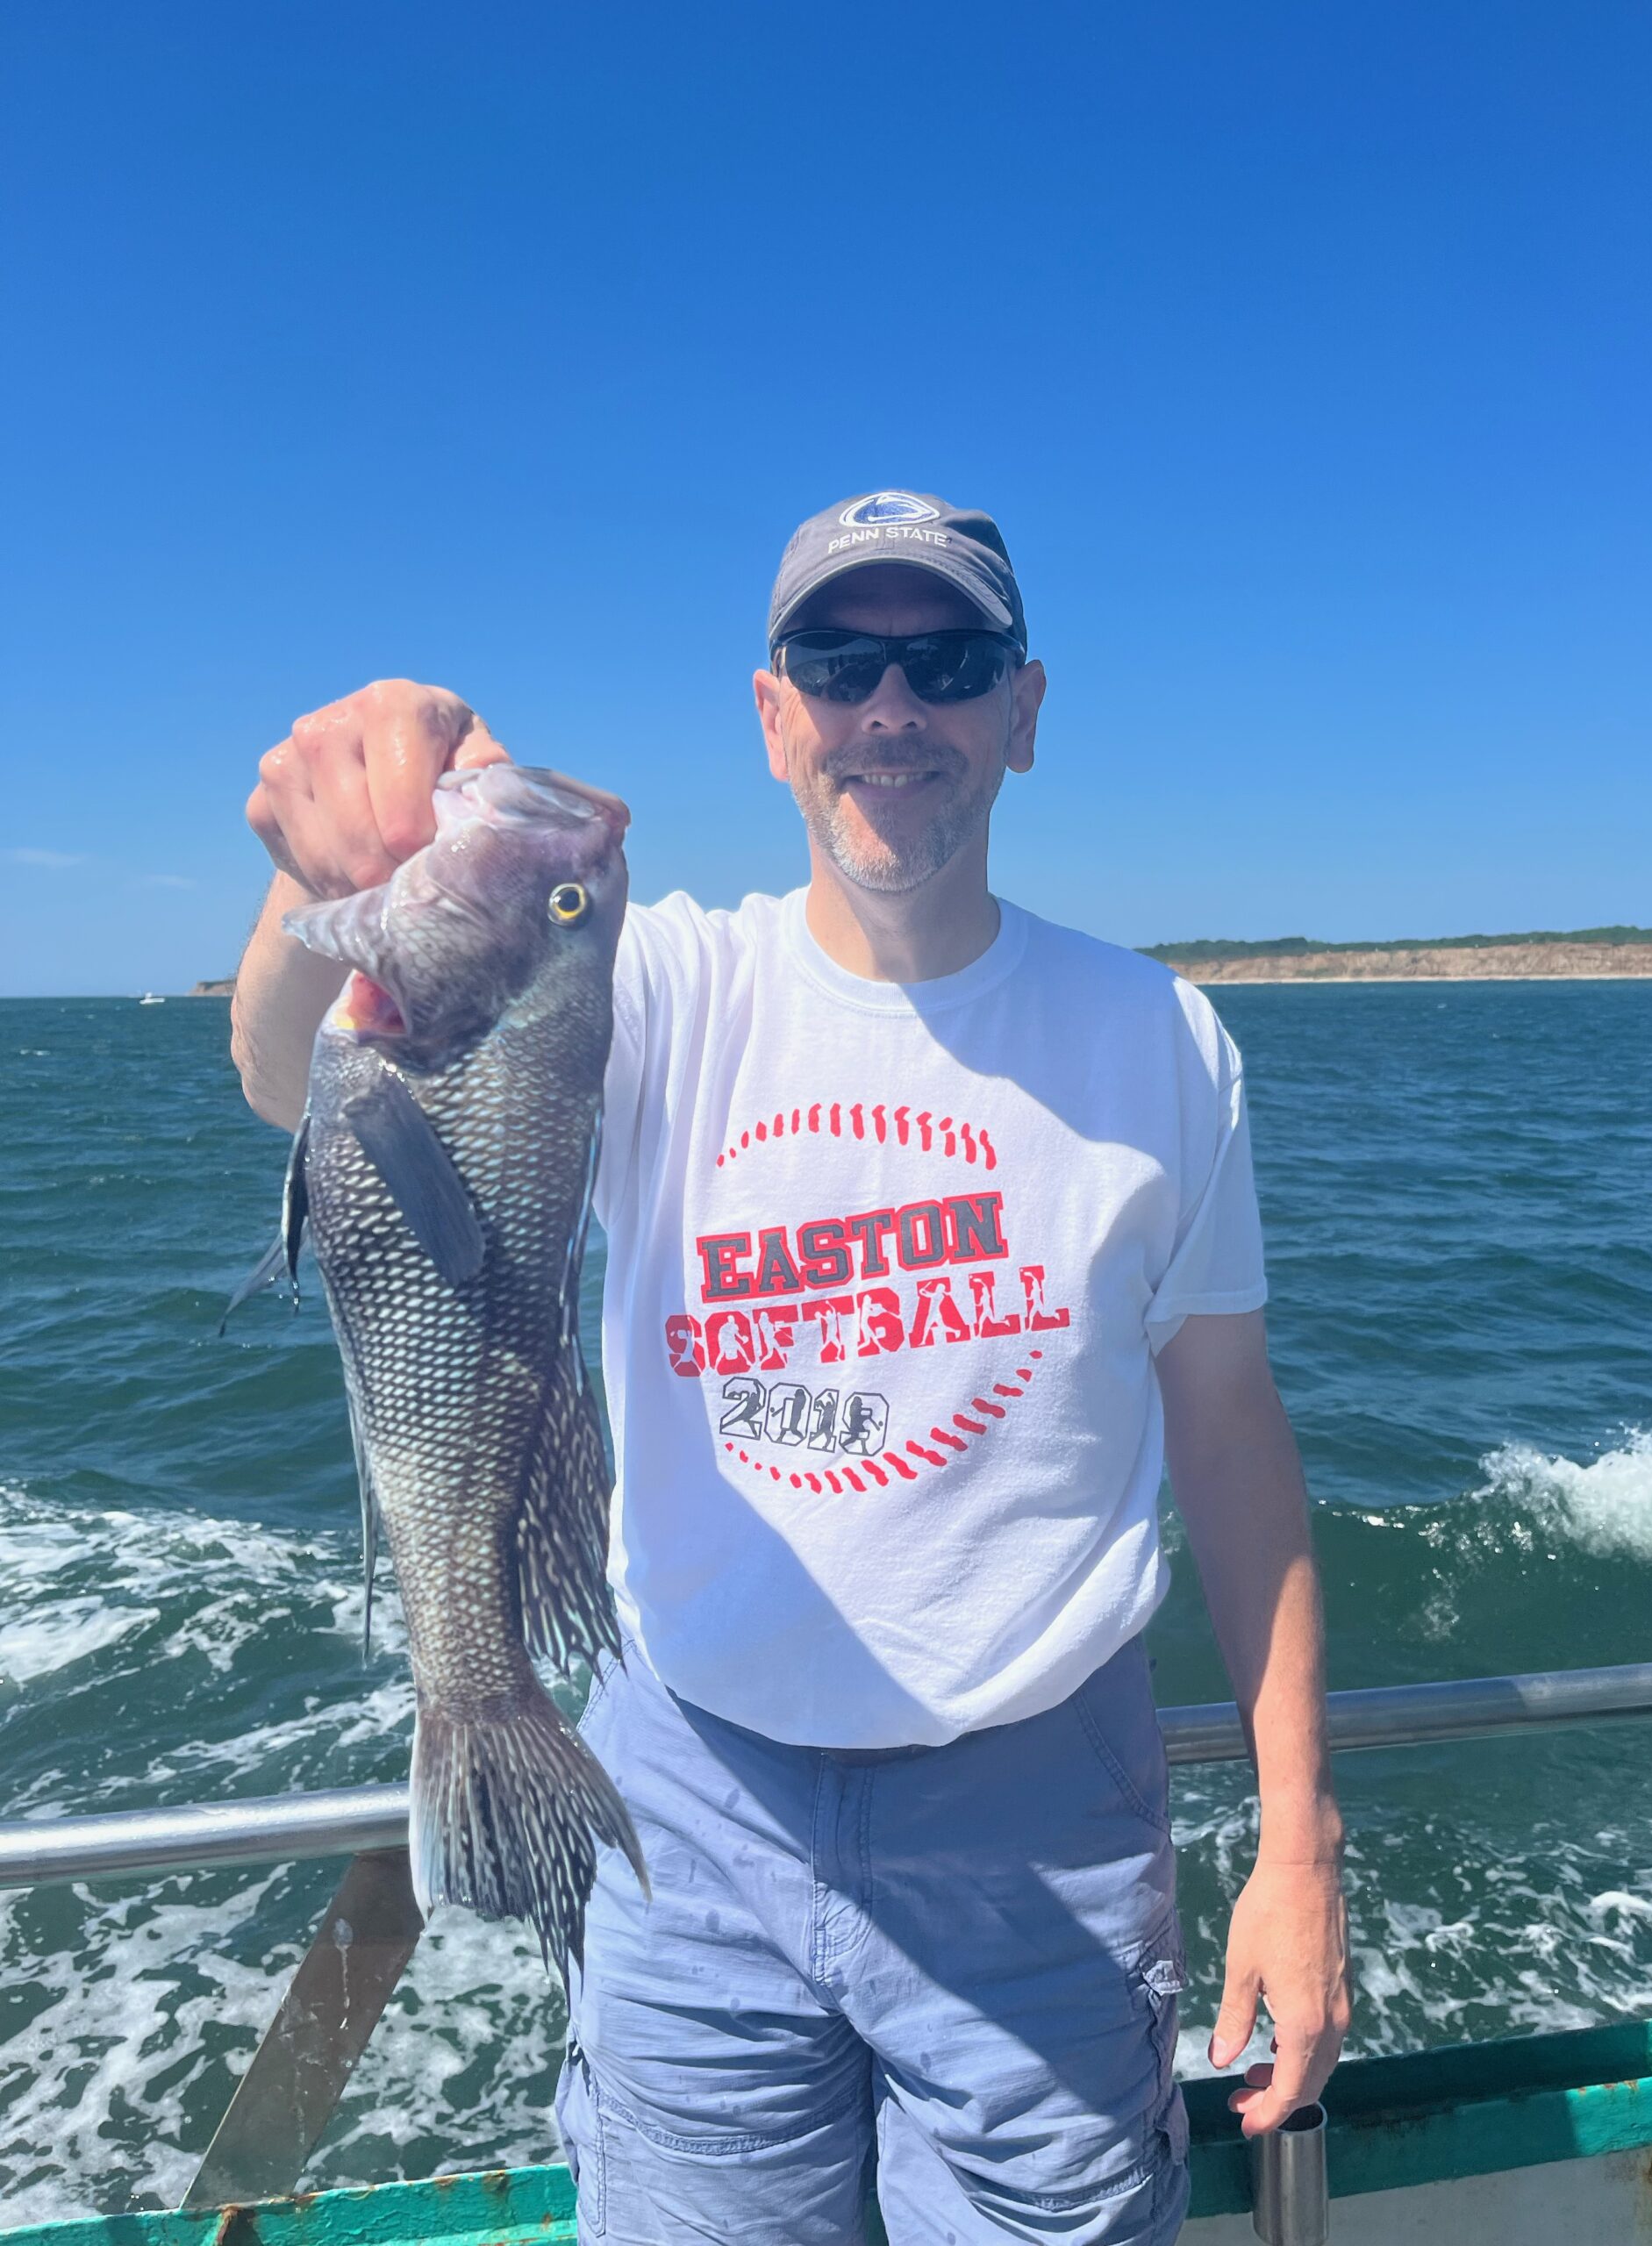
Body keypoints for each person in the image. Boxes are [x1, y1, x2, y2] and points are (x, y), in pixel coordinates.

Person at [232, 490, 1350, 2245]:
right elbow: (299, 1077)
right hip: (690, 1808)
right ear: (775, 717)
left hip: (1042, 1822)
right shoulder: (655, 977)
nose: (893, 704)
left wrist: (1299, 1838)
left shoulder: (1161, 1036)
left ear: (1024, 711)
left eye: (949, 659)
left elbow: (1228, 1430)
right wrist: (334, 860)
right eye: (842, 659)